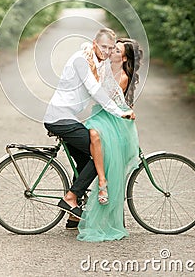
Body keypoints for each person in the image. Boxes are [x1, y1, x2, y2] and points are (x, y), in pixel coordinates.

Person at [43, 28, 134, 226]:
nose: (107, 51)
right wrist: (119, 112)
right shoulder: (81, 60)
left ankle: (74, 215)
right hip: (60, 119)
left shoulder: (97, 61)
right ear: (94, 43)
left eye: (111, 48)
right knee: (102, 154)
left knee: (86, 162)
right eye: (103, 47)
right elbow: (94, 89)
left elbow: (108, 87)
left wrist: (124, 107)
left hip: (69, 118)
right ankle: (70, 198)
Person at [77, 38, 142, 242]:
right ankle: (77, 201)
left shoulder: (122, 76)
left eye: (116, 50)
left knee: (106, 158)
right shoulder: (105, 66)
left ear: (123, 58)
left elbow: (102, 98)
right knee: (83, 152)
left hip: (111, 120)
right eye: (112, 48)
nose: (112, 51)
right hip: (100, 116)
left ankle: (103, 187)